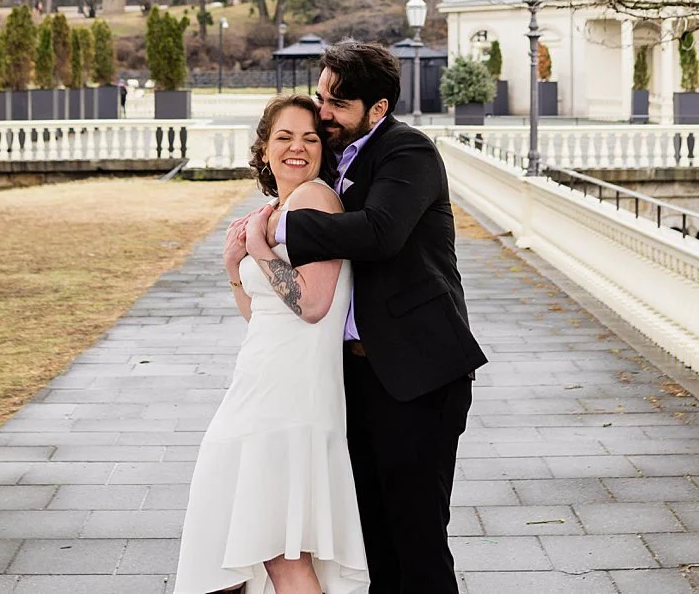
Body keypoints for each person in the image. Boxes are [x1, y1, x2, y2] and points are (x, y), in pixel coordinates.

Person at [248, 40, 487, 594]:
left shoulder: (409, 153)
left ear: (378, 109)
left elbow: (381, 233)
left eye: (338, 104)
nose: (323, 114)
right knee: (372, 538)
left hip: (419, 373)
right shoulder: (337, 153)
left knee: (418, 537)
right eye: (321, 97)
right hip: (353, 376)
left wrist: (277, 233)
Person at [174, 94, 369, 594]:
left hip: (292, 397)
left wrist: (257, 249)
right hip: (260, 383)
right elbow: (263, 314)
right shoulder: (276, 208)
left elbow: (312, 304)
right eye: (284, 137)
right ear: (264, 149)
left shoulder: (315, 200)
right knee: (263, 547)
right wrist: (233, 272)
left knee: (281, 553)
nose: (297, 148)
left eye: (309, 138)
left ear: (324, 150)